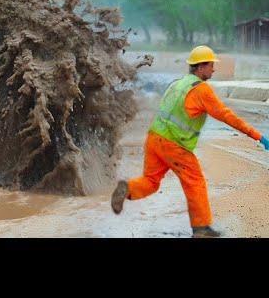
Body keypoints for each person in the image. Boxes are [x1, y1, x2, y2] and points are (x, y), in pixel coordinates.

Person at [111, 45, 269, 238]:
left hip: (153, 139)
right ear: (200, 67)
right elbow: (227, 116)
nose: (213, 69)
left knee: (151, 181)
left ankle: (127, 189)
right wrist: (257, 136)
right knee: (195, 182)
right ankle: (201, 229)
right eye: (211, 65)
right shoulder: (201, 90)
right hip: (174, 145)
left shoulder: (177, 84)